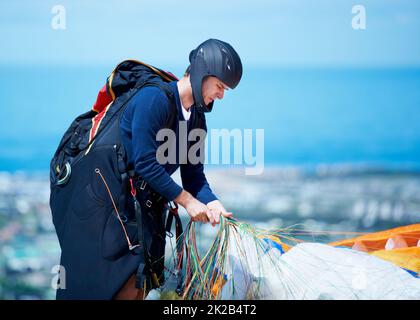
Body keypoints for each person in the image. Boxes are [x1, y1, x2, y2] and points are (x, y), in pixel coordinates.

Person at [116, 38, 243, 299]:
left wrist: (213, 203)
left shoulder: (197, 121)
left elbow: (194, 177)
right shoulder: (154, 100)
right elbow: (145, 163)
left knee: (142, 288)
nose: (221, 95)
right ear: (201, 74)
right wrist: (187, 202)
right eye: (220, 86)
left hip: (146, 211)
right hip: (116, 210)